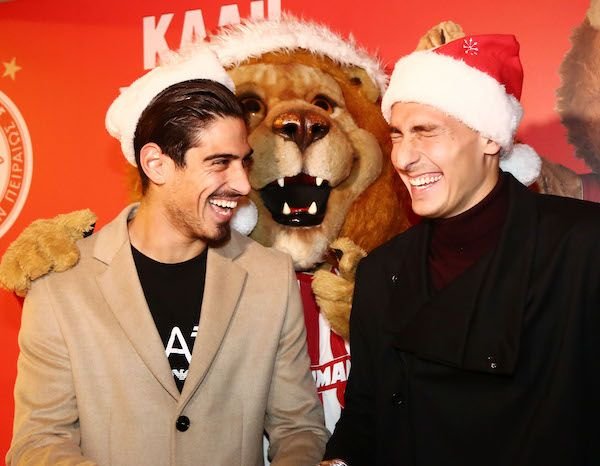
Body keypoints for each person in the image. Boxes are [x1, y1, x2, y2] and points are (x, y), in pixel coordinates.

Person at [6, 45, 328, 466]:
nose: (242, 184)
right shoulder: (61, 286)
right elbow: (38, 441)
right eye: (219, 163)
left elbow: (298, 427)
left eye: (243, 163)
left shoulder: (269, 276)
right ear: (156, 164)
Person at [322, 34, 600, 465]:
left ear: (489, 137)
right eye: (397, 135)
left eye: (426, 132)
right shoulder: (382, 270)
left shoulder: (582, 247)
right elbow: (365, 416)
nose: (403, 158)